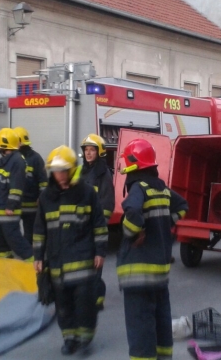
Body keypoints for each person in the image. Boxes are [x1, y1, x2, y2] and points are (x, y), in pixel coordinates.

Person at [118, 139, 188, 360]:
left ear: (133, 163)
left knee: (140, 327)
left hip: (138, 275)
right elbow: (183, 206)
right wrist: (166, 223)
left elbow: (132, 212)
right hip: (159, 273)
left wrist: (132, 233)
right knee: (161, 321)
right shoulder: (162, 189)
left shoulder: (138, 187)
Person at [33, 145, 107, 355]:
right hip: (57, 264)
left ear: (73, 169)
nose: (60, 175)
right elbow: (39, 230)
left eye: (63, 170)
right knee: (63, 306)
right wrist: (38, 257)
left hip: (83, 261)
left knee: (84, 304)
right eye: (56, 171)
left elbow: (99, 225)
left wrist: (100, 252)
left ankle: (85, 338)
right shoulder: (46, 197)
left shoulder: (87, 193)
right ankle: (69, 338)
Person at [0, 128, 32, 261]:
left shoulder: (18, 162)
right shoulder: (0, 162)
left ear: (5, 143)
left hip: (6, 213)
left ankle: (34, 263)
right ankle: (5, 266)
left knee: (16, 242)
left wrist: (11, 205)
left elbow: (16, 188)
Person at [79, 133, 115, 311]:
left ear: (99, 152)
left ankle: (97, 298)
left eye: (92, 150)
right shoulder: (81, 171)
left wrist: (101, 224)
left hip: (95, 226)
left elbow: (107, 202)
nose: (88, 153)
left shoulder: (103, 174)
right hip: (81, 225)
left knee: (95, 264)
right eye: (86, 150)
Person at [13, 126, 48, 245]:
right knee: (13, 233)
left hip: (31, 205)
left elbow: (43, 181)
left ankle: (30, 252)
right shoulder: (13, 157)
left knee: (30, 233)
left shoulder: (35, 158)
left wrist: (41, 198)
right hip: (15, 205)